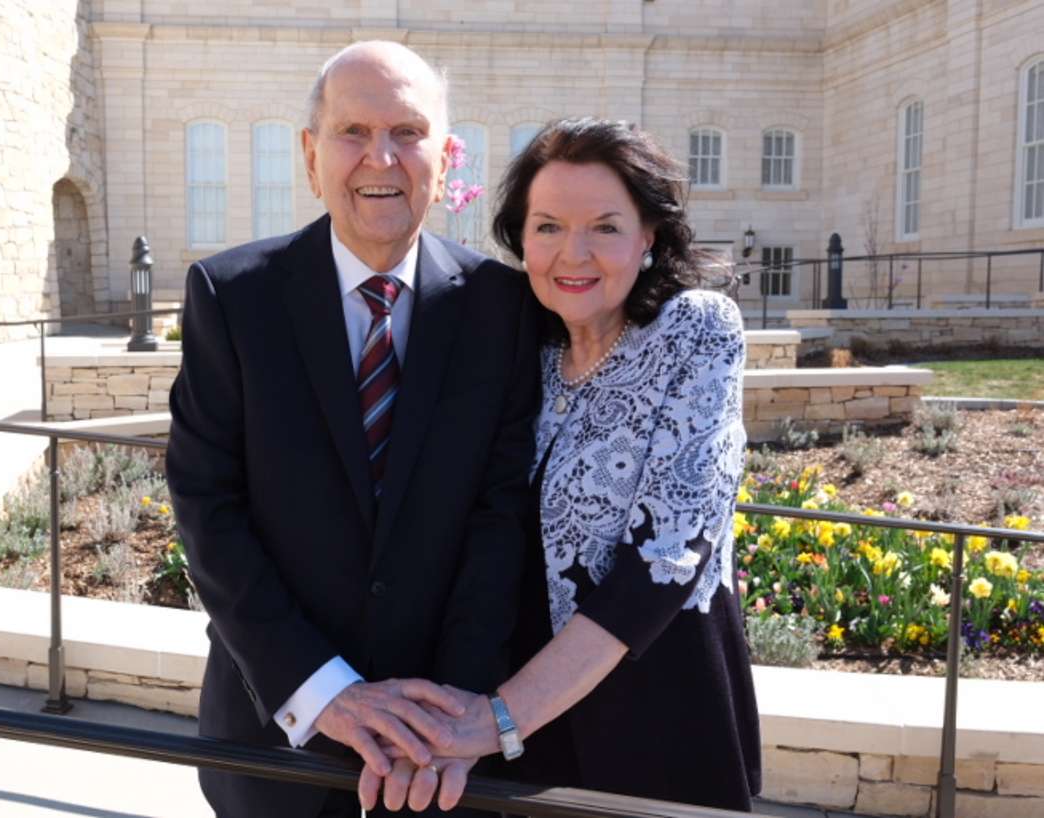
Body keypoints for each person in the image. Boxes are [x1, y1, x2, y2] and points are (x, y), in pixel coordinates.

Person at [165, 41, 539, 818]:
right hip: (276, 742)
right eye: (353, 132)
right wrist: (323, 693)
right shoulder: (232, 299)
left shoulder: (502, 310)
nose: (382, 157)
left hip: (443, 760)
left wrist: (448, 718)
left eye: (408, 132)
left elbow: (500, 516)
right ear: (310, 154)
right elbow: (208, 510)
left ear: (446, 153)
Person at [360, 118, 762, 813]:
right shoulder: (522, 348)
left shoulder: (695, 331)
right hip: (520, 733)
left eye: (604, 227)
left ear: (650, 238)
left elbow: (664, 561)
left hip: (655, 724)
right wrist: (443, 715)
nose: (572, 253)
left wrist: (496, 719)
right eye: (547, 227)